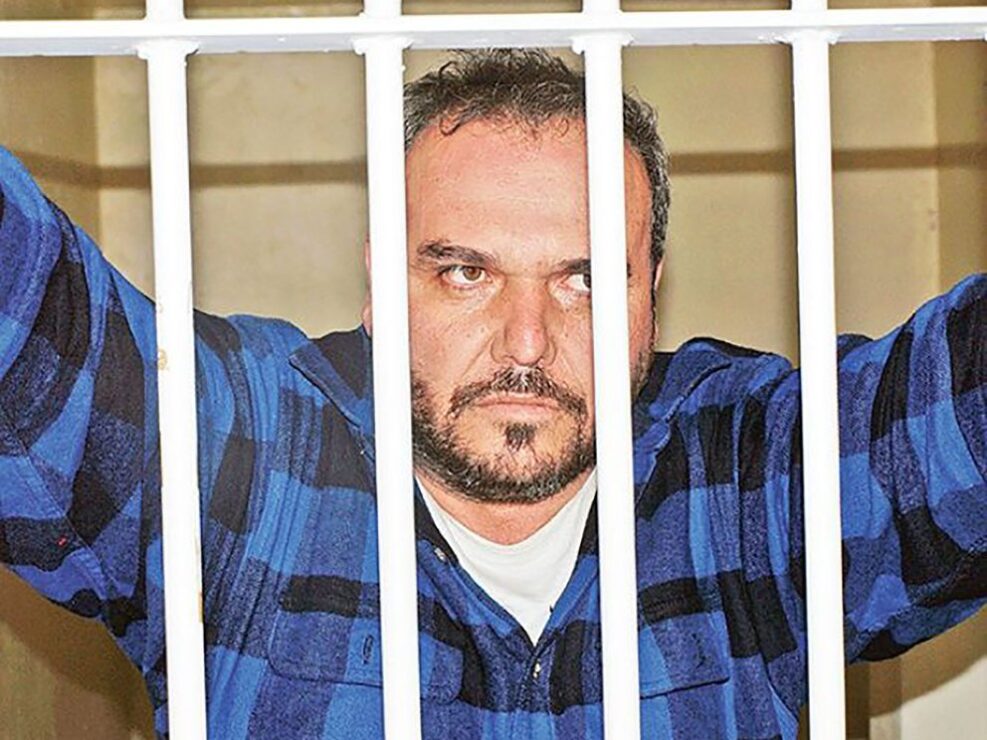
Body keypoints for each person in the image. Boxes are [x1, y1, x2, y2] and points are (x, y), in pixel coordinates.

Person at [0, 49, 983, 739]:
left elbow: (955, 411)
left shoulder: (741, 478)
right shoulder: (249, 462)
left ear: (651, 290)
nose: (526, 341)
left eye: (583, 278)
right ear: (382, 284)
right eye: (466, 272)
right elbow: (32, 323)